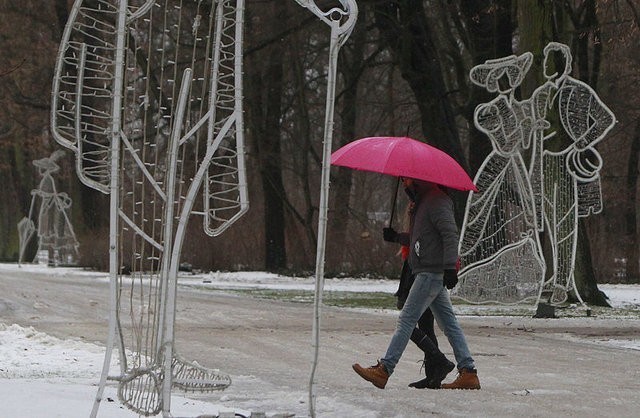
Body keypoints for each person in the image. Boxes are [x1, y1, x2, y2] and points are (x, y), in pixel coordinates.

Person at [352, 177, 481, 390]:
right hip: (428, 271)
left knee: (406, 320)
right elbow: (421, 238)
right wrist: (397, 237)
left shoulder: (436, 200)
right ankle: (468, 372)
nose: (405, 187)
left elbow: (449, 235)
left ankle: (384, 370)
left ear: (418, 182)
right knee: (449, 324)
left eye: (407, 183)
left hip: (431, 272)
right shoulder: (423, 202)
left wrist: (450, 267)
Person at [392, 205, 454, 389]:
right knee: (425, 324)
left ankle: (439, 361)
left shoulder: (427, 208)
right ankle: (433, 374)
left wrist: (396, 237)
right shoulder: (419, 205)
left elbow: (419, 239)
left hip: (421, 270)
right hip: (415, 267)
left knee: (410, 322)